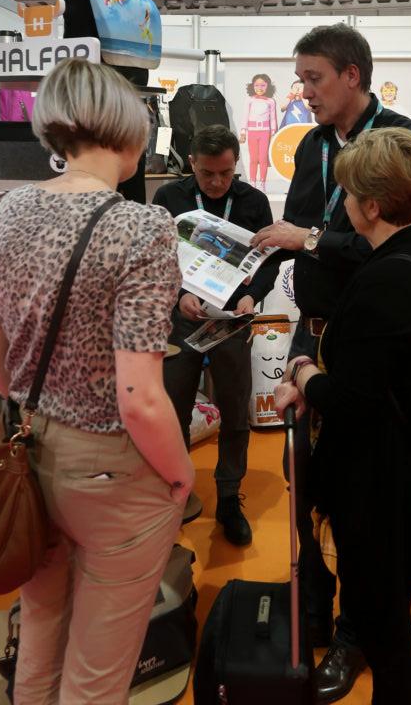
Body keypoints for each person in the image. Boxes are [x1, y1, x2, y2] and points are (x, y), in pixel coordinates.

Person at [0, 58, 193, 705]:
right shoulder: (142, 227)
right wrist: (179, 475)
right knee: (98, 670)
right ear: (129, 130)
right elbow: (139, 396)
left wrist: (37, 409)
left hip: (27, 447)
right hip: (113, 468)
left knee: (40, 630)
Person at [251, 23, 411, 702]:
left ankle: (357, 628)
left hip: (364, 341)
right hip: (316, 332)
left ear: (352, 75)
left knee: (364, 490)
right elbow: (294, 236)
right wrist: (245, 288)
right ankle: (316, 603)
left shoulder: (403, 146)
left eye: (313, 78)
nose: (303, 92)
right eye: (300, 79)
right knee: (308, 478)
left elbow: (388, 238)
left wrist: (311, 240)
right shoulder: (311, 146)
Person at [153, 124, 275, 546]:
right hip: (181, 318)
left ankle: (228, 498)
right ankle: (173, 495)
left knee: (235, 410)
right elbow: (156, 259)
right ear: (191, 163)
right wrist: (178, 294)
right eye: (208, 173)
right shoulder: (168, 198)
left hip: (232, 319)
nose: (218, 182)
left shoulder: (253, 202)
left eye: (226, 172)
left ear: (236, 163)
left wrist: (253, 296)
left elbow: (270, 263)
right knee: (172, 410)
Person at [240, 72, 278, 191]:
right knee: (253, 159)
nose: (259, 88)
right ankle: (252, 182)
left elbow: (273, 118)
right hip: (252, 131)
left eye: (263, 85)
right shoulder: (249, 100)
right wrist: (243, 132)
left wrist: (273, 133)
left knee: (263, 159)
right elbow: (245, 116)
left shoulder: (271, 101)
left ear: (268, 86)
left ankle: (262, 183)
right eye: (257, 85)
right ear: (252, 86)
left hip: (265, 132)